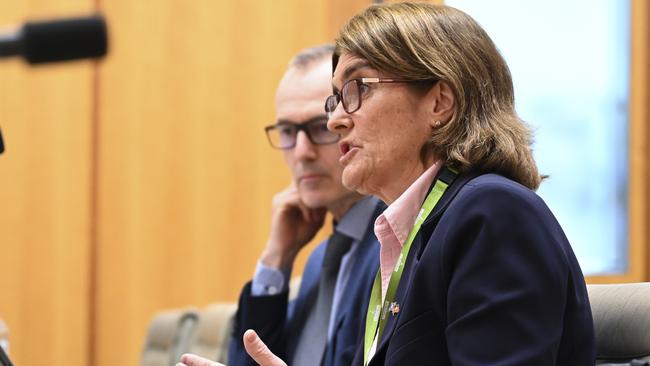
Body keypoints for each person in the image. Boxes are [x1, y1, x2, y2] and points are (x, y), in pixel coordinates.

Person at [179, 3, 595, 366]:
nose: (335, 120)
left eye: (357, 89)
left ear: (439, 102)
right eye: (335, 99)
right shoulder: (407, 235)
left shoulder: (493, 213)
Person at [226, 45, 382, 366]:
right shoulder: (318, 261)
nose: (301, 153)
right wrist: (276, 260)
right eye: (287, 131)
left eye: (317, 127)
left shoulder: (397, 241)